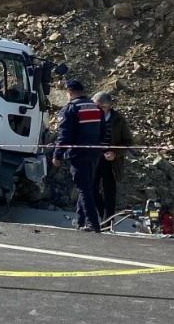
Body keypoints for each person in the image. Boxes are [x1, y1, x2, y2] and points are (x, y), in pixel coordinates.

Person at [52, 80, 105, 233]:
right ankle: (80, 221)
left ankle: (93, 223)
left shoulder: (71, 109)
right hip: (94, 153)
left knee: (84, 189)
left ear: (69, 91)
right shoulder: (96, 107)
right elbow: (103, 132)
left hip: (78, 154)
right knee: (87, 186)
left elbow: (64, 135)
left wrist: (57, 155)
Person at [92, 91, 133, 223]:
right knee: (91, 188)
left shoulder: (119, 120)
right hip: (93, 159)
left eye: (101, 107)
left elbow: (128, 142)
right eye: (96, 106)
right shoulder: (90, 118)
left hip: (111, 161)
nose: (98, 110)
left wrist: (115, 153)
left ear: (109, 106)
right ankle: (103, 214)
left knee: (109, 191)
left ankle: (108, 220)